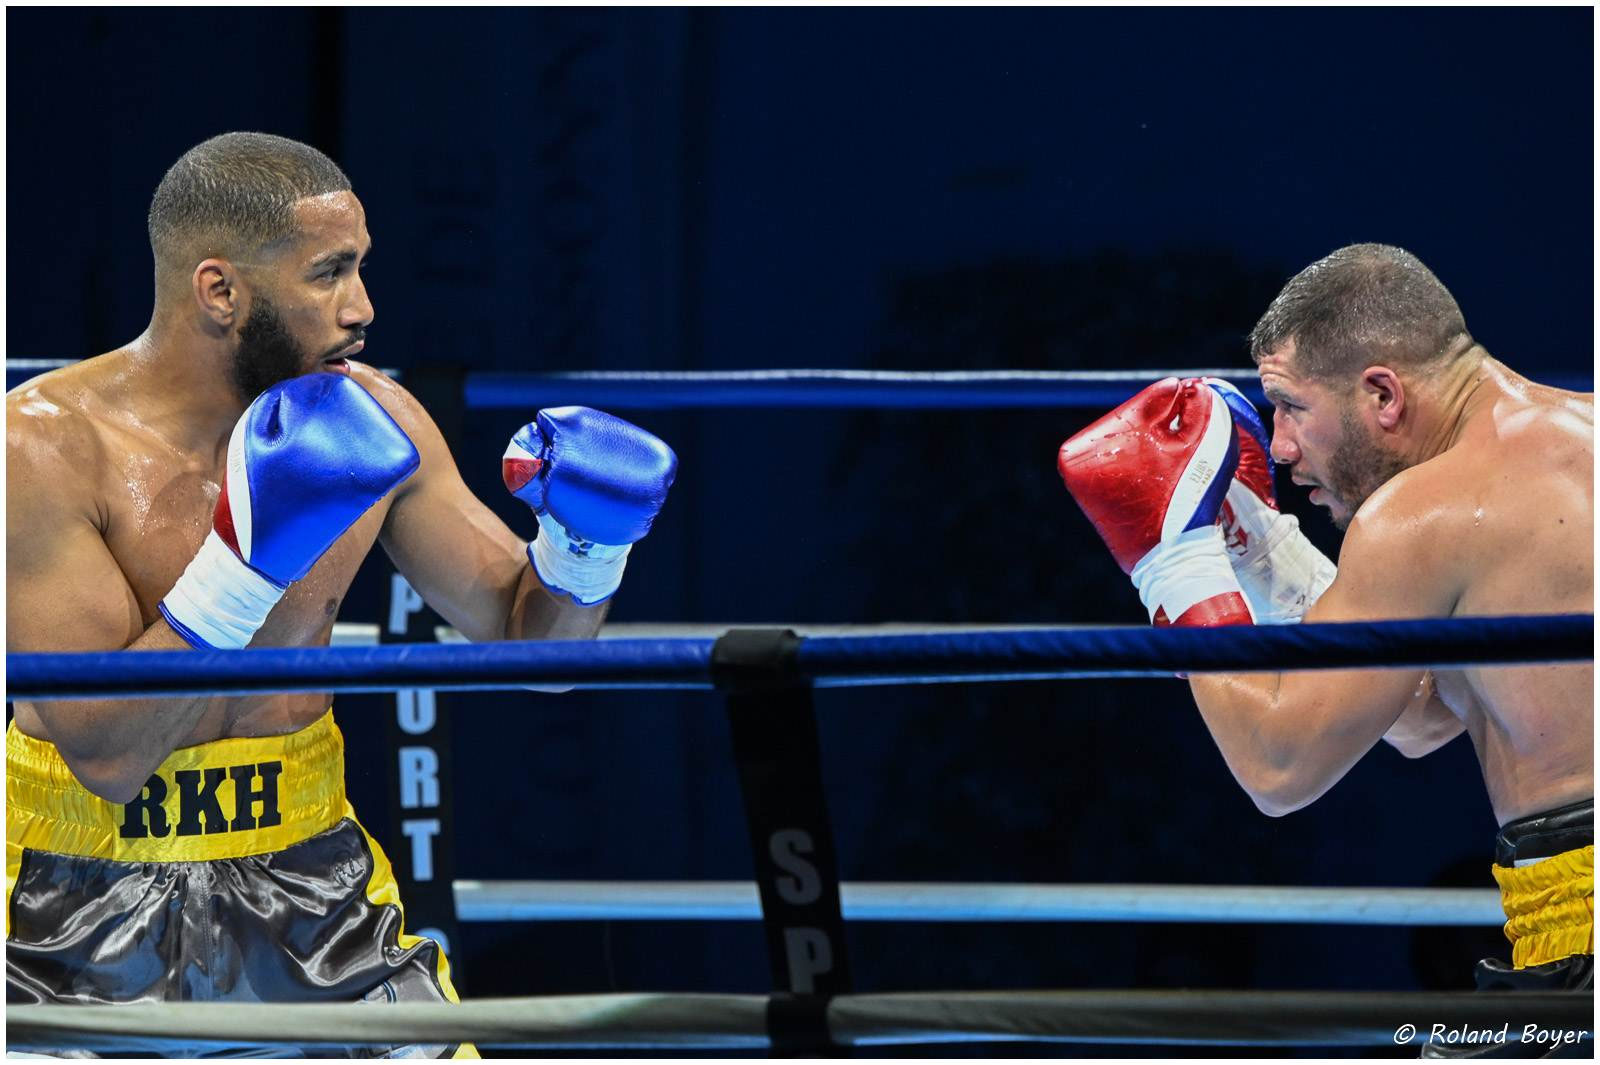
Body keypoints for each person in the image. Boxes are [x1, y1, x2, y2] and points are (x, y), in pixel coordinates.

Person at [5, 132, 677, 1057]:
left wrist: (584, 551)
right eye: (329, 274)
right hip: (71, 900)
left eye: (361, 268)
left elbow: (537, 655)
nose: (362, 307)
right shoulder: (39, 451)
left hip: (313, 887)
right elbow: (109, 757)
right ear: (220, 290)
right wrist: (247, 567)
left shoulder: (376, 421)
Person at [1057, 245, 1593, 1009]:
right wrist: (1266, 559)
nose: (1277, 445)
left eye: (1292, 407)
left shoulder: (1421, 515)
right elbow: (1424, 717)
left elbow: (1280, 769)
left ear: (1382, 394)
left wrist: (1177, 567)